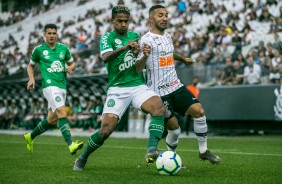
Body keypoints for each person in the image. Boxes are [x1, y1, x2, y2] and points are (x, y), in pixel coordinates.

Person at [73, 5, 165, 171]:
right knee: (106, 130)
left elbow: (138, 67)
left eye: (126, 21)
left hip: (137, 85)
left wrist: (143, 54)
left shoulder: (135, 36)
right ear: (112, 21)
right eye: (120, 21)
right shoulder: (106, 38)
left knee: (158, 106)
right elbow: (105, 58)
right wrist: (124, 48)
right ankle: (83, 157)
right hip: (117, 89)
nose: (123, 24)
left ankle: (151, 149)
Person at [136, 5, 221, 164]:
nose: (165, 18)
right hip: (159, 92)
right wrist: (144, 56)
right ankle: (171, 158)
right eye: (160, 15)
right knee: (175, 130)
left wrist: (183, 59)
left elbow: (169, 53)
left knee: (199, 111)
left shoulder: (167, 36)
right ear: (151, 19)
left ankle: (203, 151)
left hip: (176, 86)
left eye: (166, 15)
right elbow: (138, 68)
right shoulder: (146, 40)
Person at [24, 23, 84, 155]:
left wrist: (71, 68)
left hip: (62, 86)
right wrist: (31, 78)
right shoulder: (38, 50)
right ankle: (71, 144)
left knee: (51, 119)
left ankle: (30, 136)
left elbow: (72, 63)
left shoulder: (63, 49)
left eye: (54, 33)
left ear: (57, 34)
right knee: (62, 112)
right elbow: (30, 66)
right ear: (44, 34)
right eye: (49, 33)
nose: (52, 35)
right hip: (49, 86)